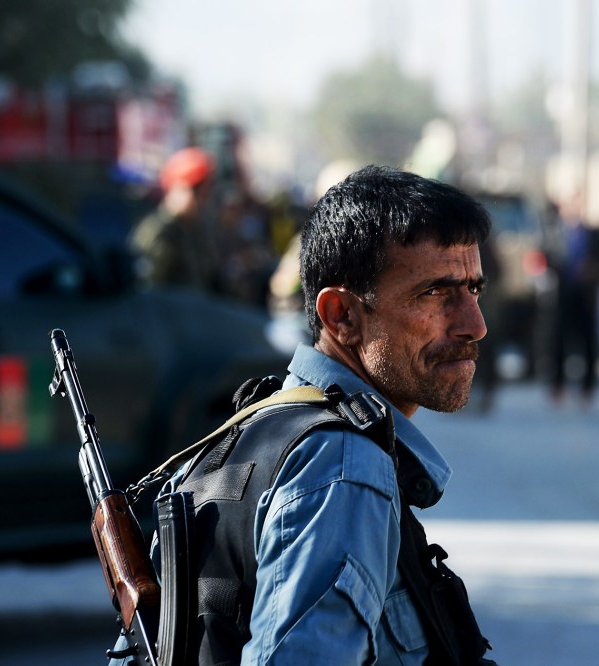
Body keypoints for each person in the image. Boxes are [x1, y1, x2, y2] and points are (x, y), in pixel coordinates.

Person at [113, 165, 496, 664]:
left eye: (473, 289)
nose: (475, 325)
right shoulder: (342, 465)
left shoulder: (255, 432)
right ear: (342, 316)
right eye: (436, 293)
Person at [129, 147, 218, 290]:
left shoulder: (197, 228)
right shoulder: (158, 232)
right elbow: (147, 287)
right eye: (195, 191)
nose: (202, 199)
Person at [548, 197, 599, 405]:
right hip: (564, 294)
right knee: (559, 341)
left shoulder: (593, 234)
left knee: (588, 341)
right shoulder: (555, 232)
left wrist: (591, 272)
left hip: (586, 296)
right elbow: (548, 259)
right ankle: (558, 385)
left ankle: (588, 386)